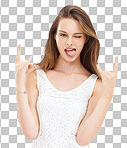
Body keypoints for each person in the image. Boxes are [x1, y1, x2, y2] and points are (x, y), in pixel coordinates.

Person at [14, 5, 118, 148]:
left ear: (86, 39)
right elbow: (31, 133)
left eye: (77, 36)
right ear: (55, 36)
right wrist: (19, 85)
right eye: (63, 35)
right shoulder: (36, 76)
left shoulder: (95, 84)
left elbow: (83, 139)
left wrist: (107, 95)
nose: (69, 42)